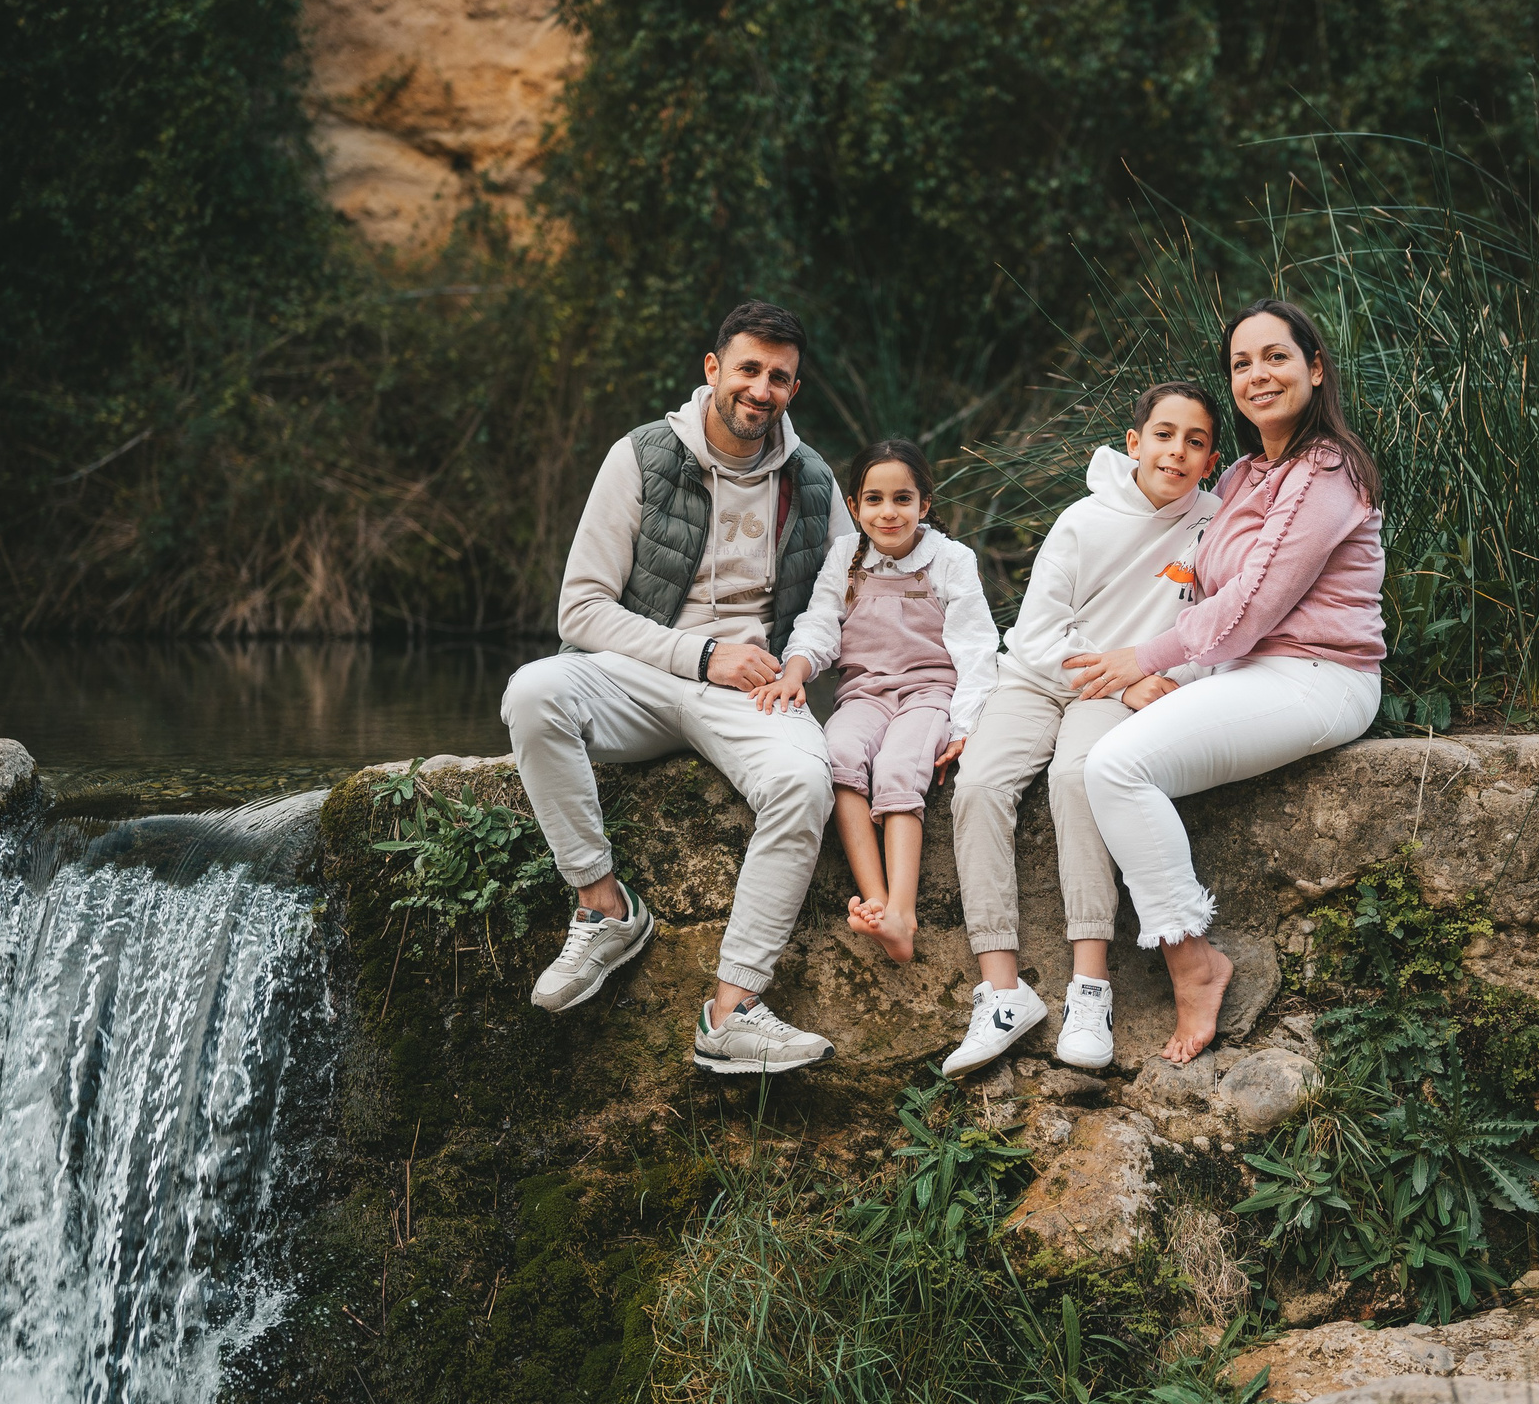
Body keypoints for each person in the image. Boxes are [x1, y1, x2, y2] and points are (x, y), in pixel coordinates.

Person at [499, 300, 844, 1076]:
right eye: (749, 370)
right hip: (642, 673)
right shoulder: (642, 456)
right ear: (714, 370)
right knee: (532, 693)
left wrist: (800, 665)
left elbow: (834, 597)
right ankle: (604, 909)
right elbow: (581, 609)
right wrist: (699, 654)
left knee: (801, 782)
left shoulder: (815, 480)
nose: (763, 390)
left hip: (753, 689)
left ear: (795, 389)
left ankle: (733, 1012)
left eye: (780, 378)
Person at [1064, 300, 1387, 1065]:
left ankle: (1194, 962)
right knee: (1092, 762)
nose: (1257, 375)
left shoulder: (1327, 471)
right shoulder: (1244, 473)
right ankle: (1188, 960)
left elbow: (1248, 607)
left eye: (1275, 357)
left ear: (1315, 367)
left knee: (1117, 765)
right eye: (1242, 364)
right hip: (1244, 672)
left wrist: (1142, 658)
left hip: (1321, 677)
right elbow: (1200, 589)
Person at [939, 382, 1225, 1076]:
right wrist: (1118, 675)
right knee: (975, 787)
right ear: (1135, 443)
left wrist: (1162, 683)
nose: (1176, 451)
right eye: (1163, 434)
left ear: (1212, 460)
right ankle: (1002, 992)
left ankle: (1090, 990)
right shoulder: (1083, 519)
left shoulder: (1216, 526)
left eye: (1194, 442)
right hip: (1043, 678)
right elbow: (1035, 634)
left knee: (1077, 779)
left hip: (1119, 693)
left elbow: (1218, 635)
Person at [754, 440, 997, 963]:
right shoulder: (845, 557)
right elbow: (820, 623)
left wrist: (965, 726)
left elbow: (977, 649)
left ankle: (904, 915)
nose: (889, 512)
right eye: (874, 499)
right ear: (855, 504)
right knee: (835, 755)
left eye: (903, 499)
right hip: (863, 693)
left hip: (929, 693)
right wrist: (795, 670)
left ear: (924, 505)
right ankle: (878, 900)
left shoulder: (951, 561)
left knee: (898, 766)